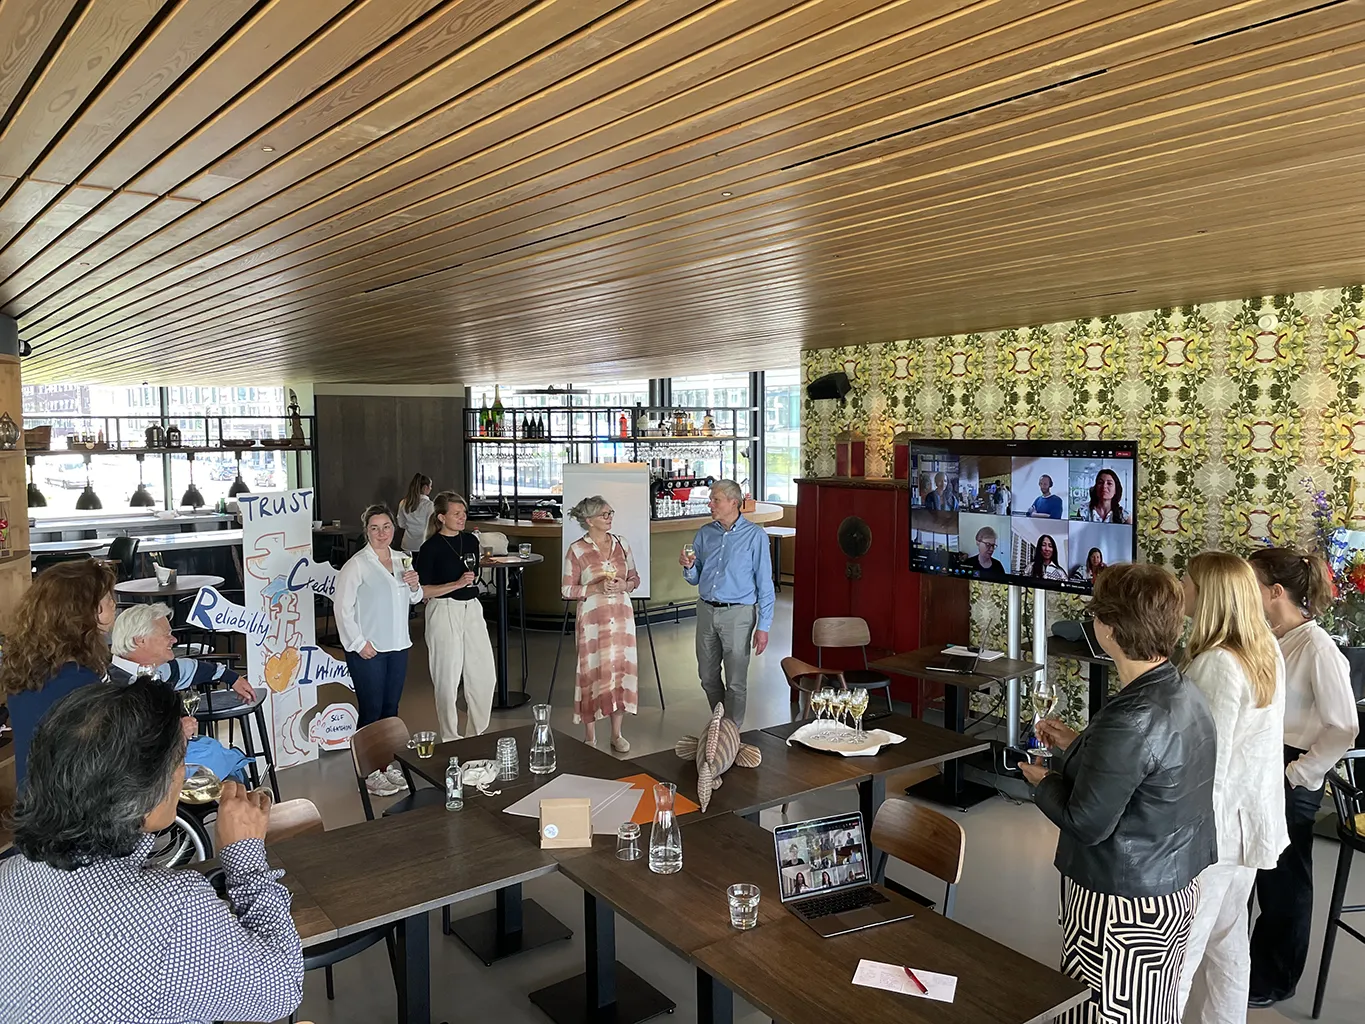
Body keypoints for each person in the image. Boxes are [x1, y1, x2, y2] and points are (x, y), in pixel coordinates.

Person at [0, 680, 303, 1023]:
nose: (183, 773)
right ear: (141, 791)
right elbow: (283, 989)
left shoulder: (7, 876)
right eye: (178, 760)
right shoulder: (174, 909)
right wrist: (246, 862)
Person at [1020, 563, 1217, 1024]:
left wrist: (1040, 781)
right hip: (1171, 886)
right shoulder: (1183, 689)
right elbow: (1148, 772)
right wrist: (1077, 742)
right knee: (1150, 1007)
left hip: (1119, 905)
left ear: (1108, 629)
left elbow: (1086, 822)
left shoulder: (1128, 717)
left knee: (1099, 1010)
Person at [1176, 552, 1289, 1023]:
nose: (1180, 588)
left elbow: (1210, 764)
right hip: (1251, 823)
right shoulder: (1265, 648)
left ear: (1208, 596)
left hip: (1218, 833)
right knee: (1228, 942)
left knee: (1181, 955)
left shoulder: (1218, 663)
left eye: (1187, 582)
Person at [1245, 547, 1357, 1008]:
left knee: (1284, 881)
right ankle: (1250, 968)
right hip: (1266, 761)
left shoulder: (1318, 648)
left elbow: (1344, 727)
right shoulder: (1274, 637)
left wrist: (1296, 774)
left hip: (1292, 770)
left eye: (1252, 583)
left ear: (1275, 591)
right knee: (1257, 872)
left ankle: (1276, 979)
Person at [0, 560, 119, 789]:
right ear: (81, 610)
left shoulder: (29, 668)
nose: (113, 603)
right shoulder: (77, 681)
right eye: (106, 598)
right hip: (71, 804)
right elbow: (106, 755)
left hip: (34, 800)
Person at [109, 603, 254, 785]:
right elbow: (131, 746)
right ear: (140, 640)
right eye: (166, 634)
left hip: (174, 756)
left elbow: (190, 669)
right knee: (232, 778)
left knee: (231, 770)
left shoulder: (154, 669)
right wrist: (176, 732)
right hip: (149, 778)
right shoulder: (117, 687)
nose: (174, 640)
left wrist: (231, 677)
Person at [335, 503, 423, 796]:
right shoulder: (357, 565)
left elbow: (414, 599)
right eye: (375, 528)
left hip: (398, 646)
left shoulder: (402, 559)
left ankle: (386, 765)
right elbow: (342, 608)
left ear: (393, 529)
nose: (381, 533)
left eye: (386, 527)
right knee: (371, 710)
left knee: (390, 711)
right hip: (368, 650)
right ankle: (369, 771)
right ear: (367, 531)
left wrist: (415, 585)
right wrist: (358, 643)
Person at [680, 479, 774, 727]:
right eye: (710, 499)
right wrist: (689, 567)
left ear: (734, 502)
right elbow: (695, 577)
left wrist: (763, 626)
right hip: (706, 610)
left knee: (735, 681)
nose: (710, 504)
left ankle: (731, 731)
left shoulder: (755, 536)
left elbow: (765, 584)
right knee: (707, 676)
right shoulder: (705, 533)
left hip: (738, 614)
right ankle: (721, 722)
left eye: (716, 500)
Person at [414, 490, 495, 742]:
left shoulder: (470, 541)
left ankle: (476, 735)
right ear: (441, 517)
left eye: (464, 513)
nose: (462, 518)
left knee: (484, 675)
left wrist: (466, 583)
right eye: (456, 513)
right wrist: (456, 584)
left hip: (472, 608)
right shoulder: (430, 548)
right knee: (447, 678)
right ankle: (450, 737)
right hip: (444, 609)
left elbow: (473, 575)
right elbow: (421, 592)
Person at [562, 495, 640, 751]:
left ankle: (617, 734)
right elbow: (566, 589)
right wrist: (594, 588)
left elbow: (635, 578)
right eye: (604, 514)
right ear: (589, 520)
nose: (609, 518)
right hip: (593, 620)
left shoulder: (622, 543)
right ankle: (590, 736)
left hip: (622, 617)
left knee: (620, 671)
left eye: (610, 513)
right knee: (592, 671)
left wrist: (625, 585)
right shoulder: (577, 549)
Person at [396, 472, 434, 553]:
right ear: (425, 487)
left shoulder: (403, 502)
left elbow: (401, 524)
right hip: (423, 544)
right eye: (430, 486)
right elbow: (432, 526)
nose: (431, 488)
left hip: (407, 544)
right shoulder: (429, 505)